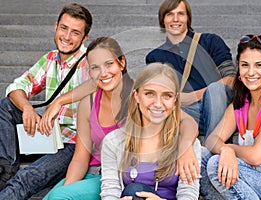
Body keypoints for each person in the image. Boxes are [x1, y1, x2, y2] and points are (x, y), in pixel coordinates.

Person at [42, 37, 200, 199]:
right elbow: (80, 157)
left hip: (120, 175)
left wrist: (186, 147)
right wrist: (60, 100)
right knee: (53, 196)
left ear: (122, 63)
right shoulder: (91, 104)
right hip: (106, 174)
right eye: (95, 67)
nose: (103, 73)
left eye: (109, 64)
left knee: (61, 196)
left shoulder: (142, 94)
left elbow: (187, 121)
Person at [0, 3, 92, 199]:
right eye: (64, 28)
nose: (67, 37)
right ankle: (6, 170)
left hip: (73, 144)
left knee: (27, 178)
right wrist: (27, 108)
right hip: (49, 134)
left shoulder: (91, 61)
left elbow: (98, 83)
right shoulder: (50, 59)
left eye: (75, 33)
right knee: (6, 106)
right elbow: (16, 87)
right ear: (55, 26)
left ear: (85, 38)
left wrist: (59, 102)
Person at [201, 34, 261, 199]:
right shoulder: (240, 104)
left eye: (259, 65)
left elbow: (256, 156)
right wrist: (225, 150)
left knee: (216, 163)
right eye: (245, 65)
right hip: (256, 184)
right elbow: (212, 140)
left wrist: (228, 149)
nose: (251, 72)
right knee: (201, 157)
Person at [101, 62, 201, 200]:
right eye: (149, 94)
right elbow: (109, 192)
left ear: (175, 101)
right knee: (133, 191)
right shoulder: (114, 141)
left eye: (167, 96)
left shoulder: (189, 145)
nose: (158, 104)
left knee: (134, 190)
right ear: (136, 96)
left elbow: (189, 195)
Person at [146, 0, 236, 139]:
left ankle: (213, 145)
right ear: (162, 20)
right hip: (187, 113)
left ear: (188, 18)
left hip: (220, 108)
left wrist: (193, 96)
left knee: (216, 89)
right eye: (170, 14)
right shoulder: (155, 57)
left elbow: (231, 79)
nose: (175, 19)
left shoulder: (211, 41)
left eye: (181, 14)